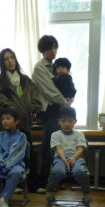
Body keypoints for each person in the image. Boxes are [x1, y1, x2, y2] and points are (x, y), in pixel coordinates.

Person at [31, 35, 69, 192]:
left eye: (55, 47)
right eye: (50, 48)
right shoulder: (40, 68)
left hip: (57, 110)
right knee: (50, 146)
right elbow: (50, 91)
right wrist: (65, 102)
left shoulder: (55, 66)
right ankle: (43, 182)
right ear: (43, 50)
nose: (53, 51)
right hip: (48, 112)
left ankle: (53, 180)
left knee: (55, 145)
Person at [0, 48, 42, 139]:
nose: (10, 61)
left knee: (25, 147)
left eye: (12, 58)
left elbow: (36, 99)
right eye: (6, 59)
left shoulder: (26, 80)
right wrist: (14, 110)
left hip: (25, 124)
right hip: (5, 127)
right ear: (2, 63)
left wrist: (29, 110)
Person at [45, 106, 90, 206]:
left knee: (79, 171)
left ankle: (86, 192)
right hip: (60, 157)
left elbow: (80, 149)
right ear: (58, 121)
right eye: (63, 121)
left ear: (75, 121)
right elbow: (59, 149)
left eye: (70, 121)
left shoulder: (79, 134)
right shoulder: (55, 134)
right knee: (58, 171)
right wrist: (65, 161)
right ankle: (50, 189)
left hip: (76, 157)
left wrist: (73, 158)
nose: (67, 124)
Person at [0, 107, 27, 207]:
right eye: (3, 119)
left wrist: (7, 165)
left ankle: (4, 199)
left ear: (17, 121)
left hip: (15, 163)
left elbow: (18, 153)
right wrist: (0, 163)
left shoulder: (22, 136)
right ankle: (2, 197)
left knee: (16, 172)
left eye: (8, 118)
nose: (4, 121)